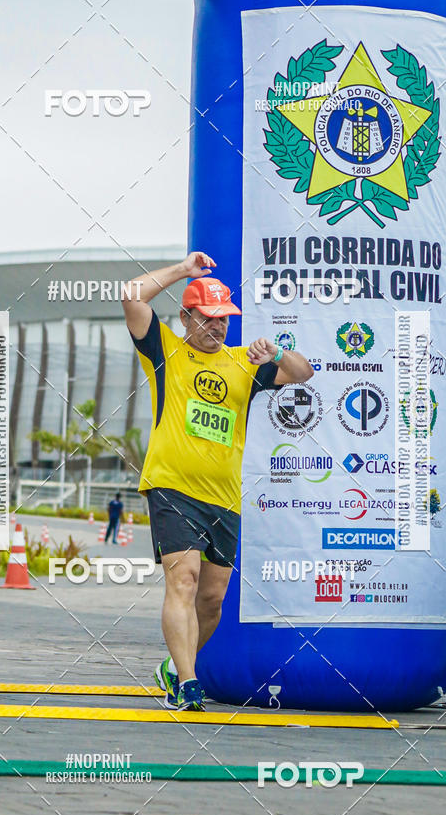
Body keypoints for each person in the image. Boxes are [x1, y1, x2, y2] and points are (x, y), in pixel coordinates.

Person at [121, 251, 313, 710]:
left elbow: (303, 373)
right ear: (186, 317)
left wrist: (277, 353)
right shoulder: (165, 349)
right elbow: (130, 294)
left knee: (211, 601)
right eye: (208, 318)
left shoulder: (244, 362)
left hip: (224, 499)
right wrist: (183, 270)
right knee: (183, 581)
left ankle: (173, 668)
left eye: (224, 318)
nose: (218, 326)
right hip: (172, 487)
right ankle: (188, 684)